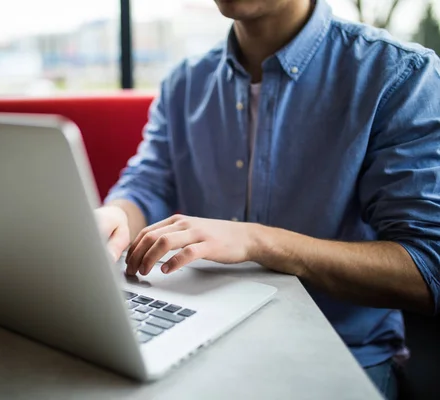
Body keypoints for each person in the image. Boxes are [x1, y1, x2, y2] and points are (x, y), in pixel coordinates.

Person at [95, 0, 440, 398]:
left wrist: (258, 241)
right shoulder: (185, 82)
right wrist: (116, 215)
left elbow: (426, 269)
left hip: (337, 357)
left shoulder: (399, 74)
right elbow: (148, 186)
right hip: (199, 345)